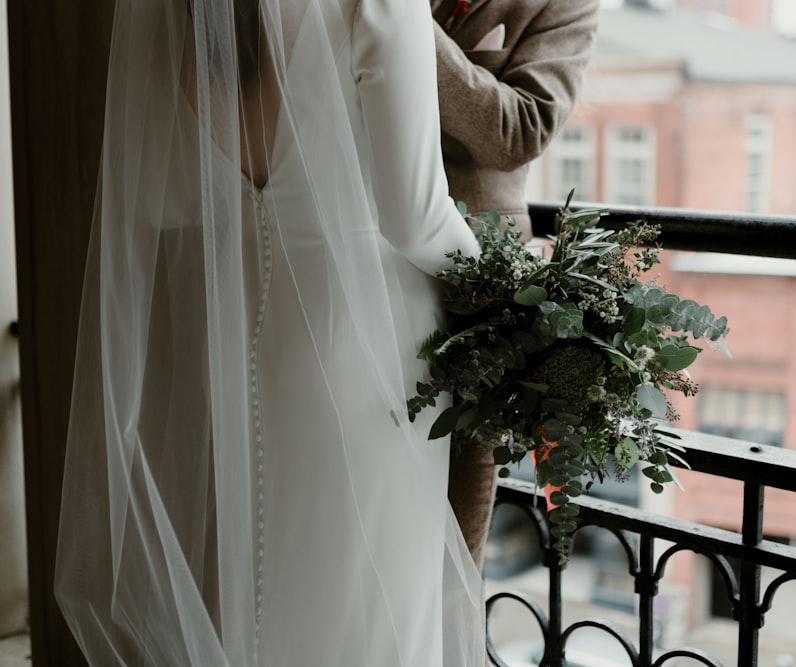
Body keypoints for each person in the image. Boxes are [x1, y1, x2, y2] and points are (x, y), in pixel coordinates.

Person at [53, 0, 485, 664]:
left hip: (246, 340)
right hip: (366, 350)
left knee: (273, 594)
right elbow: (418, 219)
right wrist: (515, 290)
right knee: (372, 611)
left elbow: (165, 199)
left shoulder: (188, 13)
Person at [430, 0, 601, 571]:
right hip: (345, 252)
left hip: (472, 297)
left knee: (451, 541)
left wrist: (409, 32)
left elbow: (522, 128)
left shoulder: (567, 5)